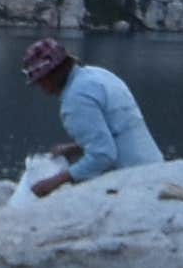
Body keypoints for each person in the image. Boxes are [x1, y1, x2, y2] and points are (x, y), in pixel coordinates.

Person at [19, 31, 159, 194]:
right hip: (153, 167)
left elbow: (104, 155)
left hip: (132, 182)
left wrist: (55, 181)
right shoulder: (98, 75)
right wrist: (76, 148)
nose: (42, 88)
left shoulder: (75, 100)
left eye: (41, 81)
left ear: (51, 75)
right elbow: (117, 130)